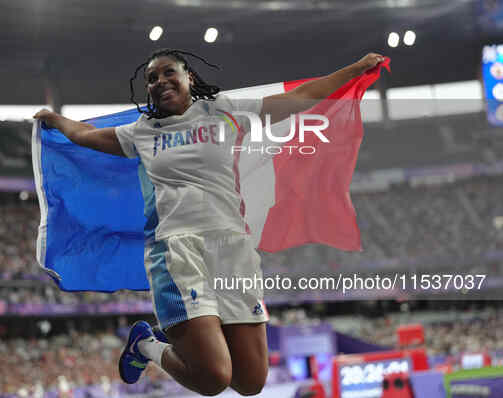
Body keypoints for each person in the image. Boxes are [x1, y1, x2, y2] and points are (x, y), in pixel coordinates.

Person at [34, 48, 384, 396]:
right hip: (178, 252)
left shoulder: (224, 112)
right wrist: (55, 120)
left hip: (233, 249)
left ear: (189, 77)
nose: (160, 82)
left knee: (250, 382)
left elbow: (301, 98)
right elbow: (85, 136)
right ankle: (147, 346)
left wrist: (354, 69)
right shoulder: (141, 132)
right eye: (151, 79)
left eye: (169, 72)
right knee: (213, 378)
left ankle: (156, 339)